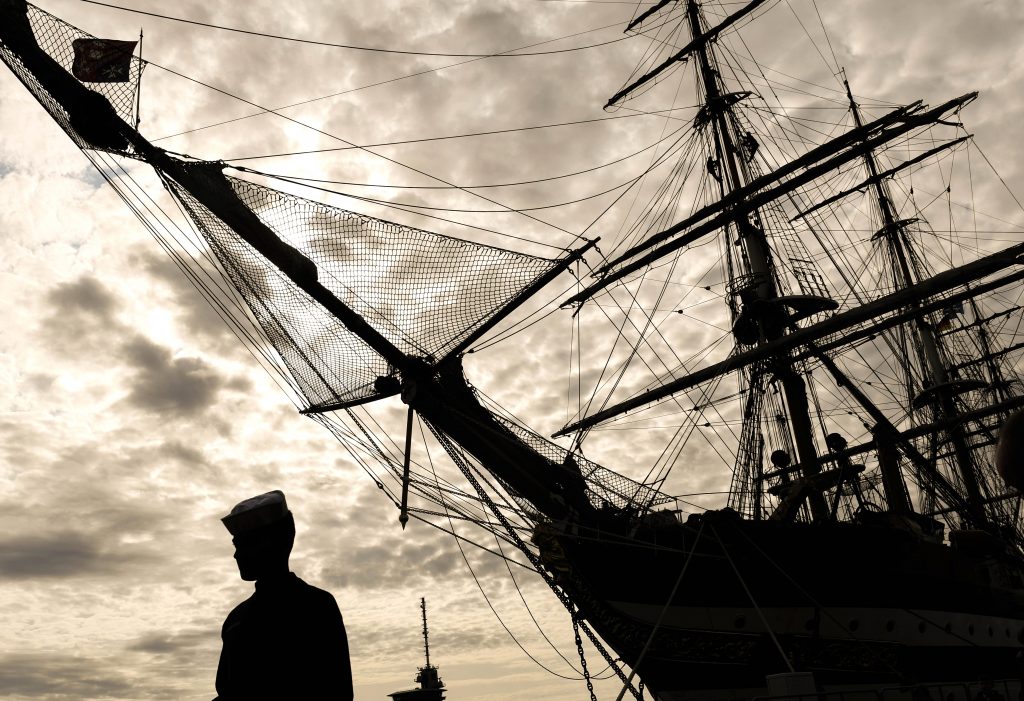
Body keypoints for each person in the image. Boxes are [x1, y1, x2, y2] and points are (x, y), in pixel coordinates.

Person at [213, 490, 353, 700]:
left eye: (245, 543)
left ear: (275, 543)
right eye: (236, 544)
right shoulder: (236, 620)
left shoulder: (315, 607)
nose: (237, 554)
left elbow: (337, 691)